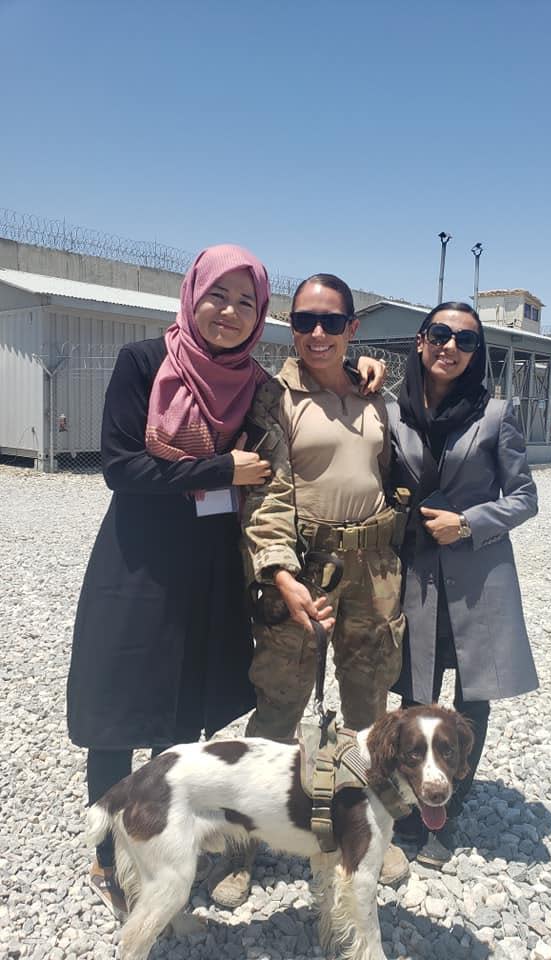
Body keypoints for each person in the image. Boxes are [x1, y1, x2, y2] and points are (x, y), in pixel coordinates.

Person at [66, 245, 386, 918]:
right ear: (193, 293)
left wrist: (354, 368)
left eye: (247, 302)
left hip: (211, 563)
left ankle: (161, 831)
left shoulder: (251, 384)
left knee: (183, 708)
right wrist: (217, 471)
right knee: (119, 706)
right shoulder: (143, 363)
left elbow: (303, 419)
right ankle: (108, 854)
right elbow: (121, 467)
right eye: (219, 296)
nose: (230, 313)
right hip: (139, 558)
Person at [239, 273, 410, 888]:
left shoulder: (376, 395)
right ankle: (245, 843)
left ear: (351, 329)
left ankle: (370, 828)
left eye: (331, 322)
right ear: (290, 326)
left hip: (375, 567)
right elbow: (265, 496)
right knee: (279, 702)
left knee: (370, 701)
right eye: (305, 321)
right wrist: (279, 574)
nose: (317, 333)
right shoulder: (274, 398)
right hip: (305, 570)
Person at [388, 301, 539, 867]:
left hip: (476, 576)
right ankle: (409, 802)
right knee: (414, 693)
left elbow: (525, 497)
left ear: (478, 353)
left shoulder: (497, 414)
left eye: (466, 340)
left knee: (469, 698)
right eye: (440, 334)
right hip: (416, 577)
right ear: (422, 341)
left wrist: (470, 523)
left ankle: (448, 811)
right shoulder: (393, 410)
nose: (451, 346)